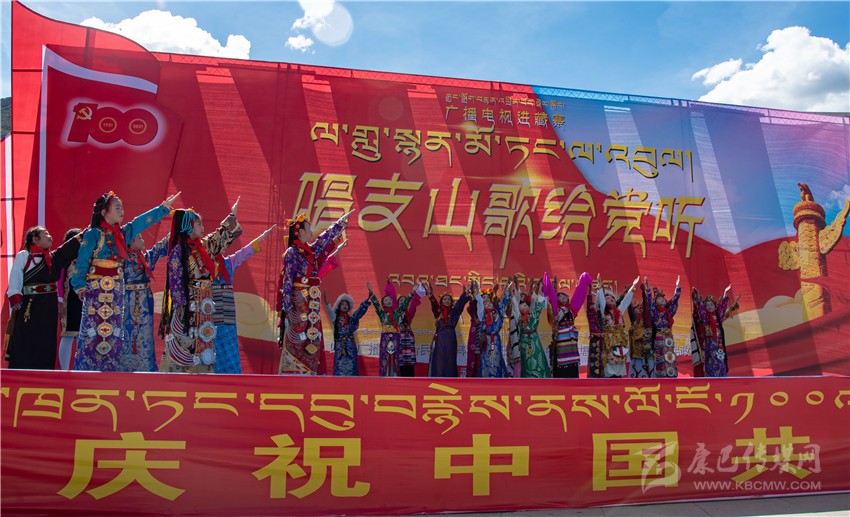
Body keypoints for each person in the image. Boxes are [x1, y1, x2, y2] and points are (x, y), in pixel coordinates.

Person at [71, 191, 179, 371]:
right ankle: (88, 371)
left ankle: (111, 371)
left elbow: (141, 222)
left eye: (122, 207)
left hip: (116, 291)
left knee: (113, 331)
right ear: (104, 212)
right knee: (93, 332)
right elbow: (81, 263)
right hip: (96, 291)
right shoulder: (93, 235)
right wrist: (80, 287)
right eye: (117, 208)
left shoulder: (123, 234)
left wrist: (163, 208)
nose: (122, 211)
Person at [159, 203, 242, 373]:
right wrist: (181, 306)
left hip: (205, 304)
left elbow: (217, 239)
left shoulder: (203, 247)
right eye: (198, 224)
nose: (202, 227)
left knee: (205, 337)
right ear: (188, 227)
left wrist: (231, 218)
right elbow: (175, 281)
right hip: (188, 306)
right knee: (187, 339)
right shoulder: (179, 251)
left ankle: (203, 374)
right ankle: (179, 376)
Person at [278, 210, 353, 375]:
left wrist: (340, 223)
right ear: (300, 232)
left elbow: (323, 239)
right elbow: (288, 280)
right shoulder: (292, 253)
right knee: (297, 337)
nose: (311, 232)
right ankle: (292, 376)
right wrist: (288, 308)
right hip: (298, 304)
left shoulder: (310, 252)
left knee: (312, 337)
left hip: (311, 304)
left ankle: (310, 375)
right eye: (308, 228)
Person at [5, 226, 81, 369]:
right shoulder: (24, 256)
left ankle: (45, 371)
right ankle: (24, 371)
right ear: (35, 239)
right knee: (28, 338)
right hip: (30, 305)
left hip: (48, 305)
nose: (49, 236)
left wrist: (90, 230)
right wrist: (16, 299)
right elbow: (15, 278)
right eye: (45, 234)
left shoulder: (53, 258)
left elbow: (67, 249)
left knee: (46, 338)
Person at [212, 226, 275, 374]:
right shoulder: (203, 266)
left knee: (230, 347)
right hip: (211, 314)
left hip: (227, 314)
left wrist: (263, 236)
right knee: (213, 348)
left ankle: (233, 377)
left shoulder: (228, 263)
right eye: (221, 244)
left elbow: (245, 252)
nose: (223, 246)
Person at [118, 232, 169, 372]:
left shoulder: (145, 258)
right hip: (126, 302)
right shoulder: (121, 260)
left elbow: (160, 247)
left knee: (145, 336)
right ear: (130, 242)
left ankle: (146, 368)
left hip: (144, 302)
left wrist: (175, 228)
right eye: (139, 238)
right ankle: (124, 369)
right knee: (126, 335)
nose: (143, 240)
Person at [541, 271, 592, 378]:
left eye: (565, 296)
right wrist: (550, 287)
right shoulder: (556, 310)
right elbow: (552, 297)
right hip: (561, 341)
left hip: (571, 342)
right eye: (560, 296)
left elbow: (578, 295)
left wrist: (583, 280)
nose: (563, 296)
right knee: (560, 365)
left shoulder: (572, 309)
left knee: (573, 364)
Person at [369, 280, 422, 377]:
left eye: (390, 300)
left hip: (395, 337)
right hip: (385, 337)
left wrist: (412, 292)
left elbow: (405, 304)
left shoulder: (397, 313)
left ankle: (395, 376)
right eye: (386, 300)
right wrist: (371, 294)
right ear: (383, 304)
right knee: (384, 357)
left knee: (396, 358)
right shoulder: (382, 313)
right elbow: (376, 304)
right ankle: (384, 377)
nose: (389, 301)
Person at [596, 275, 640, 378]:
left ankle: (618, 381)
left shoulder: (619, 311)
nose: (611, 299)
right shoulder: (603, 312)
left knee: (619, 361)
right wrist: (600, 288)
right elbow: (601, 301)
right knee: (609, 364)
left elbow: (625, 301)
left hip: (619, 341)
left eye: (612, 297)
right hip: (608, 341)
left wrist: (633, 287)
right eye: (608, 298)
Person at [426, 280, 470, 377]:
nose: (447, 301)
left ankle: (451, 380)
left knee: (450, 359)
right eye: (445, 299)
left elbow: (460, 304)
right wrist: (431, 296)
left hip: (450, 338)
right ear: (441, 301)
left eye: (449, 299)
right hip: (440, 338)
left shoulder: (454, 312)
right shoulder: (438, 311)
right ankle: (438, 378)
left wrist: (465, 294)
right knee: (439, 360)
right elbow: (434, 305)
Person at [324, 290, 371, 376]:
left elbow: (359, 312)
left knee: (352, 366)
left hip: (350, 345)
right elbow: (329, 311)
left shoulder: (352, 319)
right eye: (343, 304)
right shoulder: (335, 318)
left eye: (346, 304)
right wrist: (326, 301)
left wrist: (367, 298)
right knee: (339, 366)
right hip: (340, 345)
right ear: (339, 306)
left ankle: (352, 381)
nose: (345, 306)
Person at [57, 228, 84, 370]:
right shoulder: (65, 259)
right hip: (70, 300)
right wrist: (60, 301)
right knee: (67, 335)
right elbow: (59, 281)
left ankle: (80, 369)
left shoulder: (88, 258)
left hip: (85, 301)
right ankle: (64, 370)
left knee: (83, 337)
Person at [645, 276, 682, 378]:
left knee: (670, 356)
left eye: (663, 298)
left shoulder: (668, 312)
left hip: (669, 337)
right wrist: (648, 290)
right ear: (655, 302)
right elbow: (650, 303)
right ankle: (661, 377)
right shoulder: (655, 312)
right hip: (660, 337)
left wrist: (677, 287)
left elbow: (675, 301)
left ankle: (671, 375)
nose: (662, 300)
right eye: (659, 299)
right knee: (660, 357)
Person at [692, 285, 733, 377]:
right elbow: (701, 309)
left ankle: (722, 379)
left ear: (715, 306)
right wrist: (698, 297)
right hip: (709, 345)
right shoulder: (706, 318)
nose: (709, 307)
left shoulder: (719, 316)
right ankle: (711, 380)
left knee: (720, 360)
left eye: (711, 304)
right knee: (710, 363)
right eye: (707, 305)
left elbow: (723, 307)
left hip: (719, 344)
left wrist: (725, 294)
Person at [514, 279, 551, 378]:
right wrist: (516, 288)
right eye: (522, 304)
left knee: (538, 359)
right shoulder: (518, 318)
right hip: (523, 342)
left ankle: (541, 378)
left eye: (526, 304)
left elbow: (539, 306)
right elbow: (514, 303)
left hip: (534, 340)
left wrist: (540, 292)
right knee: (526, 362)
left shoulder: (533, 315)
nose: (525, 305)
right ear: (518, 308)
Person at [474, 281, 512, 378]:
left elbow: (503, 303)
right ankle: (486, 379)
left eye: (489, 302)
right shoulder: (482, 314)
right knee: (485, 360)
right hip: (486, 340)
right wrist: (477, 292)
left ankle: (497, 379)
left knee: (496, 359)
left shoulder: (498, 313)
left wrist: (506, 292)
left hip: (496, 340)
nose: (488, 303)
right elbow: (479, 302)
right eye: (485, 303)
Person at [627, 282, 655, 378]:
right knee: (635, 371)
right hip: (636, 351)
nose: (639, 309)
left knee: (648, 372)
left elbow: (647, 307)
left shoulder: (647, 319)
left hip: (646, 349)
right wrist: (627, 293)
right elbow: (629, 308)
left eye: (641, 308)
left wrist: (644, 293)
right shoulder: (634, 320)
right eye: (637, 308)